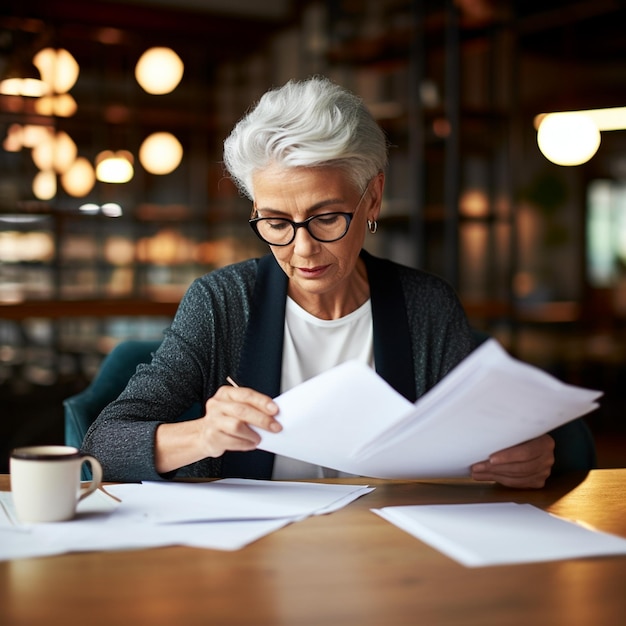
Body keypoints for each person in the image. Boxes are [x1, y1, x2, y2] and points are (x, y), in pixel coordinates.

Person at [83, 76, 556, 488]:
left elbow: (486, 435)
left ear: (372, 198)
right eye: (275, 222)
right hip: (252, 561)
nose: (302, 249)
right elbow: (104, 444)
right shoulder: (221, 303)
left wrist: (521, 457)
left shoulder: (426, 305)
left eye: (326, 218)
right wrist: (202, 434)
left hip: (393, 555)